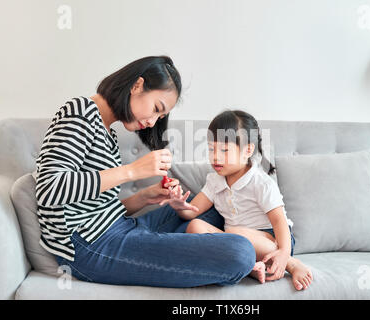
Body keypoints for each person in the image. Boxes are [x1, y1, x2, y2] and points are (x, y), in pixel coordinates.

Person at [33, 56, 256, 287]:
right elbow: (49, 189)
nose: (152, 122)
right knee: (240, 253)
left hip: (118, 229)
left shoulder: (108, 131)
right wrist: (131, 171)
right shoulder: (80, 111)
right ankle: (246, 259)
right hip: (90, 247)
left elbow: (98, 209)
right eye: (156, 109)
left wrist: (144, 197)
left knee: (207, 210)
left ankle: (268, 252)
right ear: (137, 85)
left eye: (160, 117)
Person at [159, 110, 313, 290]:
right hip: (233, 242)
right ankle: (250, 268)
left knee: (237, 234)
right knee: (194, 227)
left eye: (224, 150)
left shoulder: (260, 182)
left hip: (271, 239)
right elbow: (192, 211)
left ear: (247, 150)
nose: (215, 157)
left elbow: (279, 221)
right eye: (211, 149)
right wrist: (179, 206)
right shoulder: (214, 181)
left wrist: (284, 252)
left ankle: (292, 264)